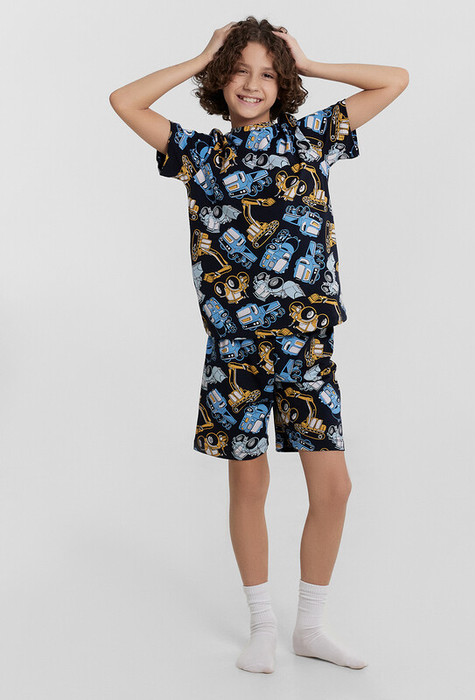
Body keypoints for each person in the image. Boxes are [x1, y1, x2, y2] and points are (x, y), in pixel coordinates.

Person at [110, 15, 409, 675]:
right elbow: (124, 101)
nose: (253, 84)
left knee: (333, 487)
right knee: (248, 486)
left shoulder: (311, 139)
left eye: (268, 74)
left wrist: (310, 62)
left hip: (307, 342)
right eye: (240, 71)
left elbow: (395, 80)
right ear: (223, 79)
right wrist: (201, 55)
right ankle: (262, 627)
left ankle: (311, 626)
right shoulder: (198, 154)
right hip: (234, 349)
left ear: (283, 84)